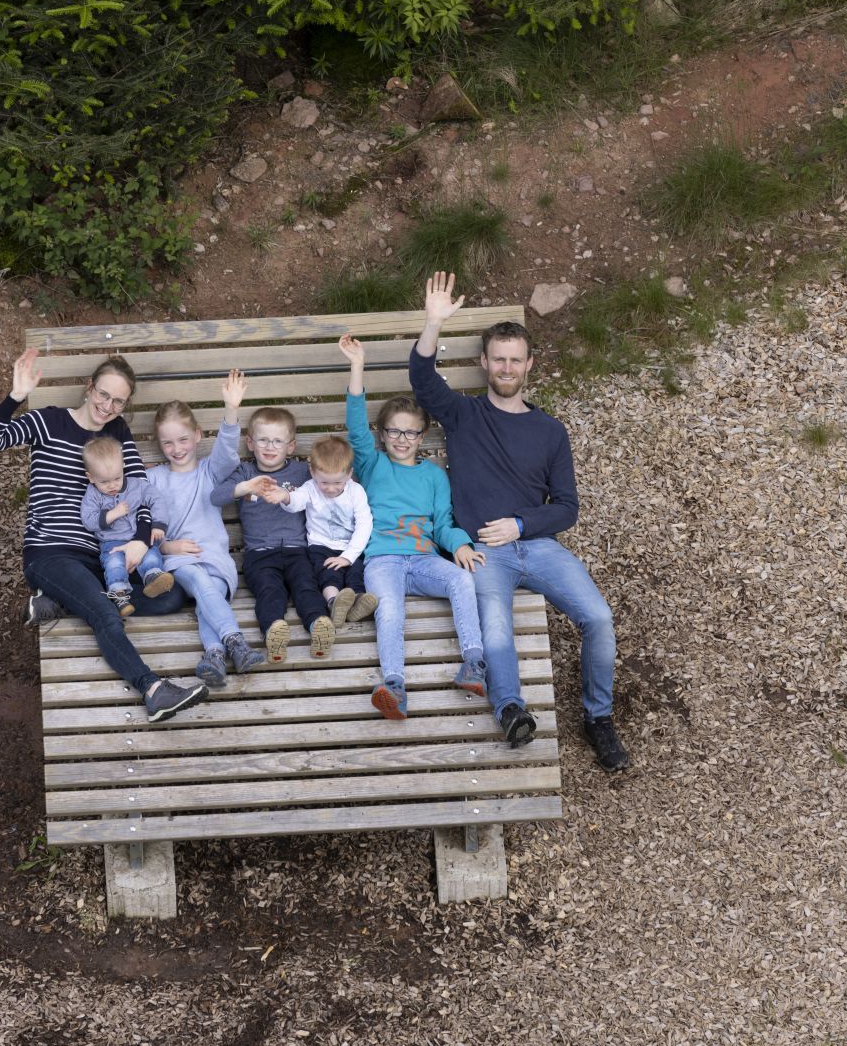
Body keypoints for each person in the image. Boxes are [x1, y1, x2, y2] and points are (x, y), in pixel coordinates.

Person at [409, 272, 630, 769]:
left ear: (529, 365)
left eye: (515, 359)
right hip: (485, 552)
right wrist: (433, 322)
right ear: (483, 363)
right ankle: (510, 708)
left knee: (598, 617)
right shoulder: (463, 416)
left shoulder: (550, 431)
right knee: (497, 628)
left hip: (539, 546)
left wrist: (521, 523)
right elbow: (422, 380)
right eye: (498, 359)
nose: (506, 367)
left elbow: (567, 506)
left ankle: (599, 717)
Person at [0, 348, 207, 724]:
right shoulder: (48, 421)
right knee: (104, 610)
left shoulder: (117, 432)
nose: (108, 405)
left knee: (171, 597)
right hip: (51, 551)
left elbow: (141, 491)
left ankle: (59, 604)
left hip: (102, 555)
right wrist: (15, 397)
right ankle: (153, 689)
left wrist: (140, 538)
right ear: (89, 387)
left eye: (118, 400)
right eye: (104, 394)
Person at [338, 332, 487, 721]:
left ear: (423, 436)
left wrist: (460, 545)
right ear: (382, 434)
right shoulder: (373, 465)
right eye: (394, 432)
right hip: (382, 559)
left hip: (422, 560)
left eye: (410, 432)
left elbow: (443, 525)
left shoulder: (435, 477)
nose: (402, 439)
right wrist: (357, 366)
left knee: (461, 580)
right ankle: (395, 685)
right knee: (389, 610)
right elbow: (355, 425)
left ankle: (474, 662)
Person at [146, 372, 265, 690]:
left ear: (197, 436)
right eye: (167, 442)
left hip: (215, 558)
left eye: (183, 439)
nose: (176, 448)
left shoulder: (210, 472)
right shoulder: (155, 479)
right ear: (159, 444)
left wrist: (231, 409)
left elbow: (227, 452)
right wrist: (167, 548)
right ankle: (236, 641)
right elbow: (142, 526)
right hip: (178, 561)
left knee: (206, 595)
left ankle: (214, 655)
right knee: (198, 581)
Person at [210, 406, 336, 664]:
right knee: (269, 592)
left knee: (306, 586)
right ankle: (273, 630)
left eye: (277, 441)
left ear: (290, 446)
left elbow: (335, 480)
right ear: (250, 443)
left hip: (298, 550)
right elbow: (216, 497)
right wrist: (244, 487)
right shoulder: (245, 473)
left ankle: (318, 624)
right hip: (259, 555)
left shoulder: (302, 473)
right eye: (263, 440)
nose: (270, 446)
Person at [260, 435, 379, 629]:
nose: (331, 489)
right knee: (327, 574)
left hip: (350, 547)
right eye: (324, 483)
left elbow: (364, 524)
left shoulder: (356, 492)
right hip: (320, 546)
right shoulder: (310, 488)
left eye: (338, 483)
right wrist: (285, 497)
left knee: (356, 573)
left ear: (349, 474)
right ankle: (334, 603)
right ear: (312, 472)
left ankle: (357, 603)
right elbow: (296, 502)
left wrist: (348, 556)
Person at [80, 436, 174, 617]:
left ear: (123, 466)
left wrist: (159, 524)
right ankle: (119, 595)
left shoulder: (137, 486)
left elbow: (157, 500)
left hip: (138, 538)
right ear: (90, 477)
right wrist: (112, 514)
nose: (112, 485)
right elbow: (89, 520)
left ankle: (154, 577)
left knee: (151, 555)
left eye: (117, 478)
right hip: (112, 543)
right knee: (114, 564)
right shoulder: (92, 495)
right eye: (104, 482)